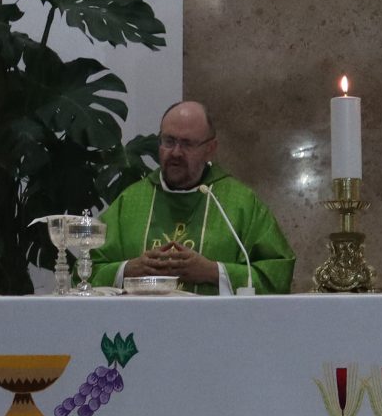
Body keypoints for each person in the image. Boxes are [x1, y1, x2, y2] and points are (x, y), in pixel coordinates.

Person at [89, 101, 294, 294]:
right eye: (169, 141)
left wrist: (213, 272)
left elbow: (276, 275)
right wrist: (128, 270)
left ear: (210, 149)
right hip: (140, 320)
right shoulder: (131, 201)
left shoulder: (241, 204)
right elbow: (87, 270)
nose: (176, 153)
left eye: (187, 144)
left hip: (215, 320)